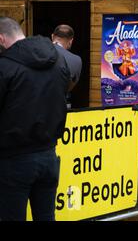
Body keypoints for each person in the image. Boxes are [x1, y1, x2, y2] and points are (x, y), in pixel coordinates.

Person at [0, 17, 70, 221]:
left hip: (13, 160)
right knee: (46, 217)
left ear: (2, 39)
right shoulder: (58, 60)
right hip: (48, 156)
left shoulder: (5, 67)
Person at [52, 25, 82, 109]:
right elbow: (69, 87)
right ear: (71, 41)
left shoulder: (36, 52)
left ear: (52, 36)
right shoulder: (76, 60)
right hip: (59, 107)